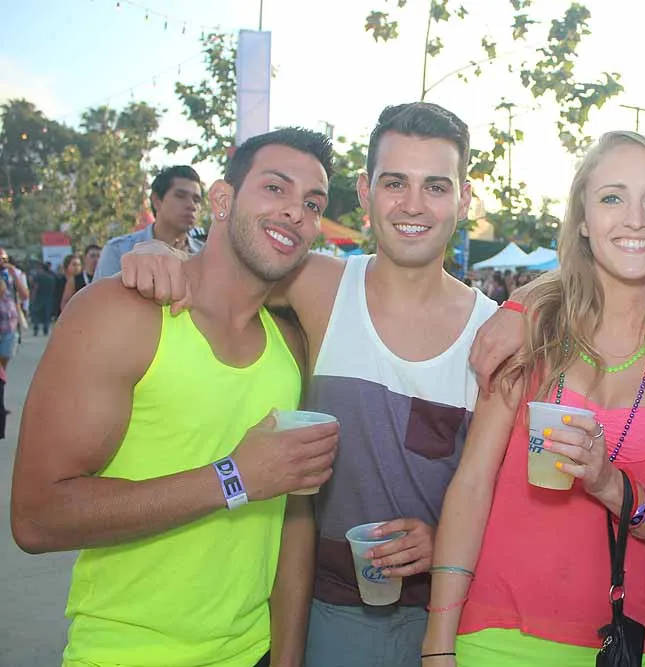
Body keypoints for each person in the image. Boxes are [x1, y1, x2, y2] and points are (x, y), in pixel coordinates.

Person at [118, 102, 498, 667]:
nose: (414, 204)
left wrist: (443, 535)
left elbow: (511, 490)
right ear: (366, 192)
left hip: (455, 617)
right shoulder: (317, 284)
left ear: (464, 200)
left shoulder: (494, 332)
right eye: (395, 183)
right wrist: (159, 251)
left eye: (436, 186)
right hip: (327, 612)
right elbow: (217, 274)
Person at [10, 127, 341, 667]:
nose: (295, 212)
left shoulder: (290, 343)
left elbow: (292, 514)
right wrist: (233, 478)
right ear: (222, 199)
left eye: (312, 203)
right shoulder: (120, 313)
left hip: (254, 651)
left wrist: (286, 657)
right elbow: (37, 517)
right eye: (275, 188)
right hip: (128, 653)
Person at [420, 131, 645, 666]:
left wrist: (613, 487)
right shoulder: (531, 333)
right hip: (493, 635)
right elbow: (471, 485)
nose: (635, 219)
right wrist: (437, 643)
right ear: (583, 219)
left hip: (624, 644)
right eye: (612, 197)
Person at [94, 165, 204, 279]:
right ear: (157, 201)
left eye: (196, 200)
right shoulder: (119, 250)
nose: (192, 206)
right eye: (180, 196)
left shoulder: (208, 256)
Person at [0, 249, 29, 367]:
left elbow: (24, 296)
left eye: (4, 259)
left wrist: (14, 276)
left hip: (9, 323)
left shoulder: (14, 274)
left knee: (4, 359)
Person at [29, 260, 57, 335]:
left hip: (39, 297)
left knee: (36, 313)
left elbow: (36, 287)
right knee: (47, 314)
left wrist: (32, 297)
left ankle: (36, 327)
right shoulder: (52, 277)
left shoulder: (39, 276)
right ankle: (46, 328)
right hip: (49, 298)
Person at [53, 252, 82, 318]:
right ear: (67, 266)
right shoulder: (60, 281)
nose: (77, 267)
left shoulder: (81, 281)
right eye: (74, 265)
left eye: (79, 265)